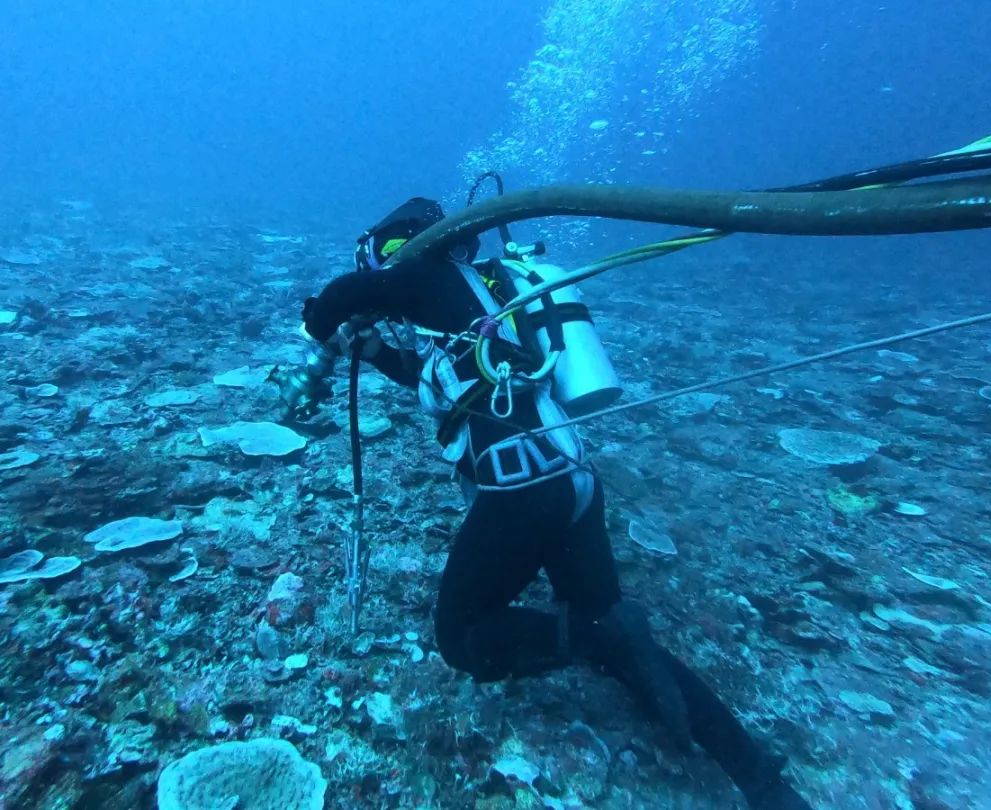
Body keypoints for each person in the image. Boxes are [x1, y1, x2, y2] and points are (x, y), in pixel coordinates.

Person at [299, 197, 812, 809]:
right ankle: (760, 778)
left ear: (401, 245)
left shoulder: (417, 272)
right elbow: (446, 375)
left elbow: (340, 295)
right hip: (571, 476)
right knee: (605, 617)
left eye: (384, 255)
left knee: (462, 637)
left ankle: (604, 643)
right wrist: (379, 353)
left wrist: (316, 331)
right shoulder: (487, 290)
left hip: (523, 489)